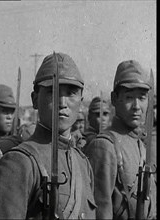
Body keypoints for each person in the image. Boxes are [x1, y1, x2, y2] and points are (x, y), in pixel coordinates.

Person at [0, 52, 96, 219]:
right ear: (34, 99)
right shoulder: (19, 163)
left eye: (71, 93)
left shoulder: (83, 163)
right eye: (52, 92)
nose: (62, 103)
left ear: (81, 100)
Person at [84, 60, 157, 219]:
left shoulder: (140, 145)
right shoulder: (104, 146)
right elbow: (100, 212)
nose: (137, 106)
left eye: (142, 97)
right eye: (129, 97)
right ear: (115, 99)